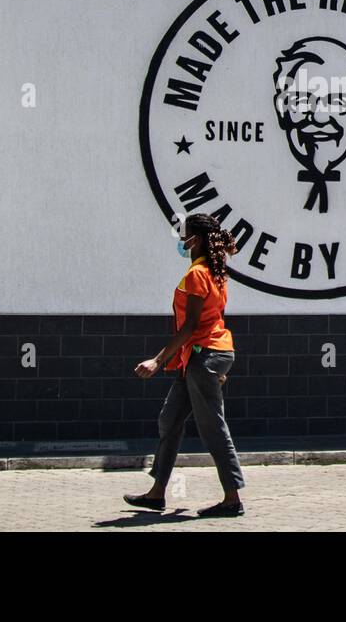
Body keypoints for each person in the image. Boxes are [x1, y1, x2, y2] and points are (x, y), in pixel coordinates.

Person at [124, 212, 246, 517]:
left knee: (212, 426)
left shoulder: (199, 274)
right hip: (202, 357)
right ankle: (156, 494)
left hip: (204, 356)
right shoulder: (213, 271)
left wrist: (157, 360)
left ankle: (232, 498)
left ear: (196, 240)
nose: (181, 239)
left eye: (185, 234)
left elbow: (190, 326)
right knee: (170, 420)